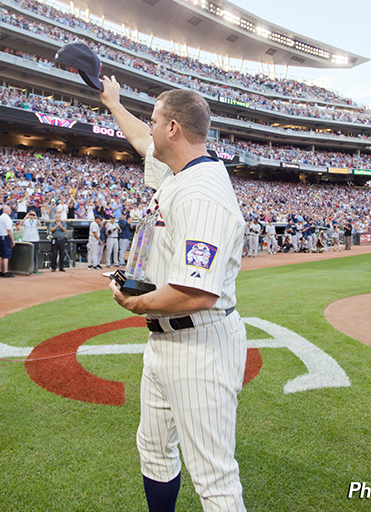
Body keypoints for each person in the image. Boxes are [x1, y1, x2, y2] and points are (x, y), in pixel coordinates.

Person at [100, 76, 247, 511]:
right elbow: (140, 139)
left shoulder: (202, 192)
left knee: (213, 477)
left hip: (199, 341)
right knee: (154, 449)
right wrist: (113, 103)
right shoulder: (180, 169)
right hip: (166, 340)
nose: (149, 128)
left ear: (174, 129)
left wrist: (134, 302)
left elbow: (196, 293)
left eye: (154, 120)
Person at [0, 205, 15, 278]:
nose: (10, 211)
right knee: (6, 255)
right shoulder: (7, 218)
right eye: (9, 210)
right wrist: (12, 239)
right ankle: (5, 271)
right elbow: (9, 230)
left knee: (0, 255)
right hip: (5, 237)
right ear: (6, 210)